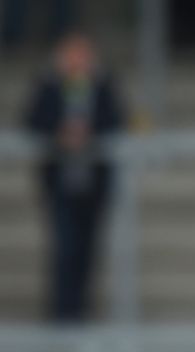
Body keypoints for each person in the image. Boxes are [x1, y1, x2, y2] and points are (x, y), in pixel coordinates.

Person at [22, 31, 125, 322]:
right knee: (64, 248)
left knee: (87, 250)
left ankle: (80, 315)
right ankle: (62, 315)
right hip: (60, 184)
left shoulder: (103, 86)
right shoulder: (49, 85)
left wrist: (89, 136)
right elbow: (33, 120)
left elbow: (116, 120)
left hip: (94, 184)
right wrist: (59, 135)